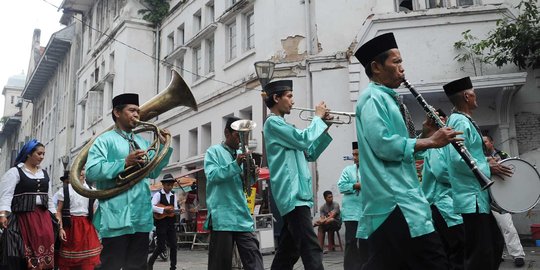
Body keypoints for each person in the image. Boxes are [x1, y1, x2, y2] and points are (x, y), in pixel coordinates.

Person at [353, 32, 461, 269]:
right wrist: (432, 142)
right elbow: (385, 146)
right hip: (394, 201)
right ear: (376, 67)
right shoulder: (372, 98)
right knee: (435, 261)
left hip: (405, 200)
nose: (402, 68)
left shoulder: (390, 99)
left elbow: (403, 149)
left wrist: (425, 135)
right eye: (396, 62)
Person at [85, 93, 172, 270]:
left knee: (138, 266)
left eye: (138, 111)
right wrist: (124, 162)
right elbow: (92, 171)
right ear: (117, 112)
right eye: (132, 110)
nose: (137, 115)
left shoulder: (141, 140)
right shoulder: (104, 140)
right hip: (115, 216)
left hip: (141, 216)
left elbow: (153, 171)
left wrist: (164, 147)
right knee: (111, 265)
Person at [263, 80, 333, 270]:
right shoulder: (272, 123)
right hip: (292, 194)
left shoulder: (285, 127)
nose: (293, 101)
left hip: (298, 194)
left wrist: (325, 126)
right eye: (289, 96)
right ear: (276, 98)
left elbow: (310, 152)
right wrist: (317, 119)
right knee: (311, 248)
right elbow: (303, 141)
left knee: (289, 251)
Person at [444, 76, 509, 270]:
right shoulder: (459, 121)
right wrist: (488, 167)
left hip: (477, 198)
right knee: (480, 253)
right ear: (466, 96)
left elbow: (470, 155)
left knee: (493, 246)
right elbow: (458, 159)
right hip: (470, 199)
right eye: (473, 93)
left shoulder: (463, 120)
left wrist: (487, 160)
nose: (476, 97)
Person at [203, 116, 264, 270]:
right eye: (238, 135)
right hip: (222, 217)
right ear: (227, 133)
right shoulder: (213, 151)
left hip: (241, 215)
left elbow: (245, 185)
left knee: (254, 260)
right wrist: (236, 164)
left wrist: (252, 175)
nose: (241, 140)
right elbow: (213, 176)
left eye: (244, 136)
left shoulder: (243, 153)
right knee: (220, 265)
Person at [0, 139, 56, 269]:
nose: (42, 157)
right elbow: (6, 195)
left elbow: (49, 197)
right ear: (28, 154)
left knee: (45, 250)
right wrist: (3, 214)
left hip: (43, 219)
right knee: (17, 250)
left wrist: (55, 216)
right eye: (39, 153)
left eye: (43, 154)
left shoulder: (44, 174)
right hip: (21, 218)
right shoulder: (15, 172)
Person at [420, 109, 465, 270]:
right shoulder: (436, 145)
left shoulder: (444, 144)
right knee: (456, 251)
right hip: (442, 205)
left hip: (446, 204)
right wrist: (465, 178)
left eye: (441, 118)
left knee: (452, 250)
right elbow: (441, 172)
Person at [483, 135, 525, 267]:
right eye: (482, 142)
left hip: (500, 198)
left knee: (507, 226)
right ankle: (497, 254)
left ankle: (518, 255)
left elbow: (513, 172)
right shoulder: (478, 157)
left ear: (492, 142)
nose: (484, 144)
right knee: (489, 230)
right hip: (484, 197)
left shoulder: (503, 154)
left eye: (486, 141)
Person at [55, 167, 101, 270]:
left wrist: (96, 229)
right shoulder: (65, 190)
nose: (80, 171)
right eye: (77, 169)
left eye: (83, 169)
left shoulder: (91, 190)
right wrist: (61, 228)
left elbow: (93, 211)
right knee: (68, 263)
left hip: (87, 227)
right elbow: (58, 211)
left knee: (87, 263)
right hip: (70, 226)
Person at [337, 141, 367, 269]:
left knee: (367, 242)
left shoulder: (370, 169)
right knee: (351, 242)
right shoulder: (347, 170)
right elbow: (341, 186)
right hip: (351, 213)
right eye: (353, 155)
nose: (354, 158)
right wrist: (356, 185)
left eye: (357, 155)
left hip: (367, 211)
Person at [148, 174, 179, 270]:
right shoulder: (158, 195)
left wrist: (178, 210)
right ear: (164, 185)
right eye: (168, 185)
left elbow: (175, 208)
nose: (170, 187)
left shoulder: (174, 195)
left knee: (174, 245)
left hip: (170, 223)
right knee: (161, 246)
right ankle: (150, 262)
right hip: (161, 223)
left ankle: (173, 267)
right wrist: (163, 210)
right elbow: (151, 206)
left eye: (171, 185)